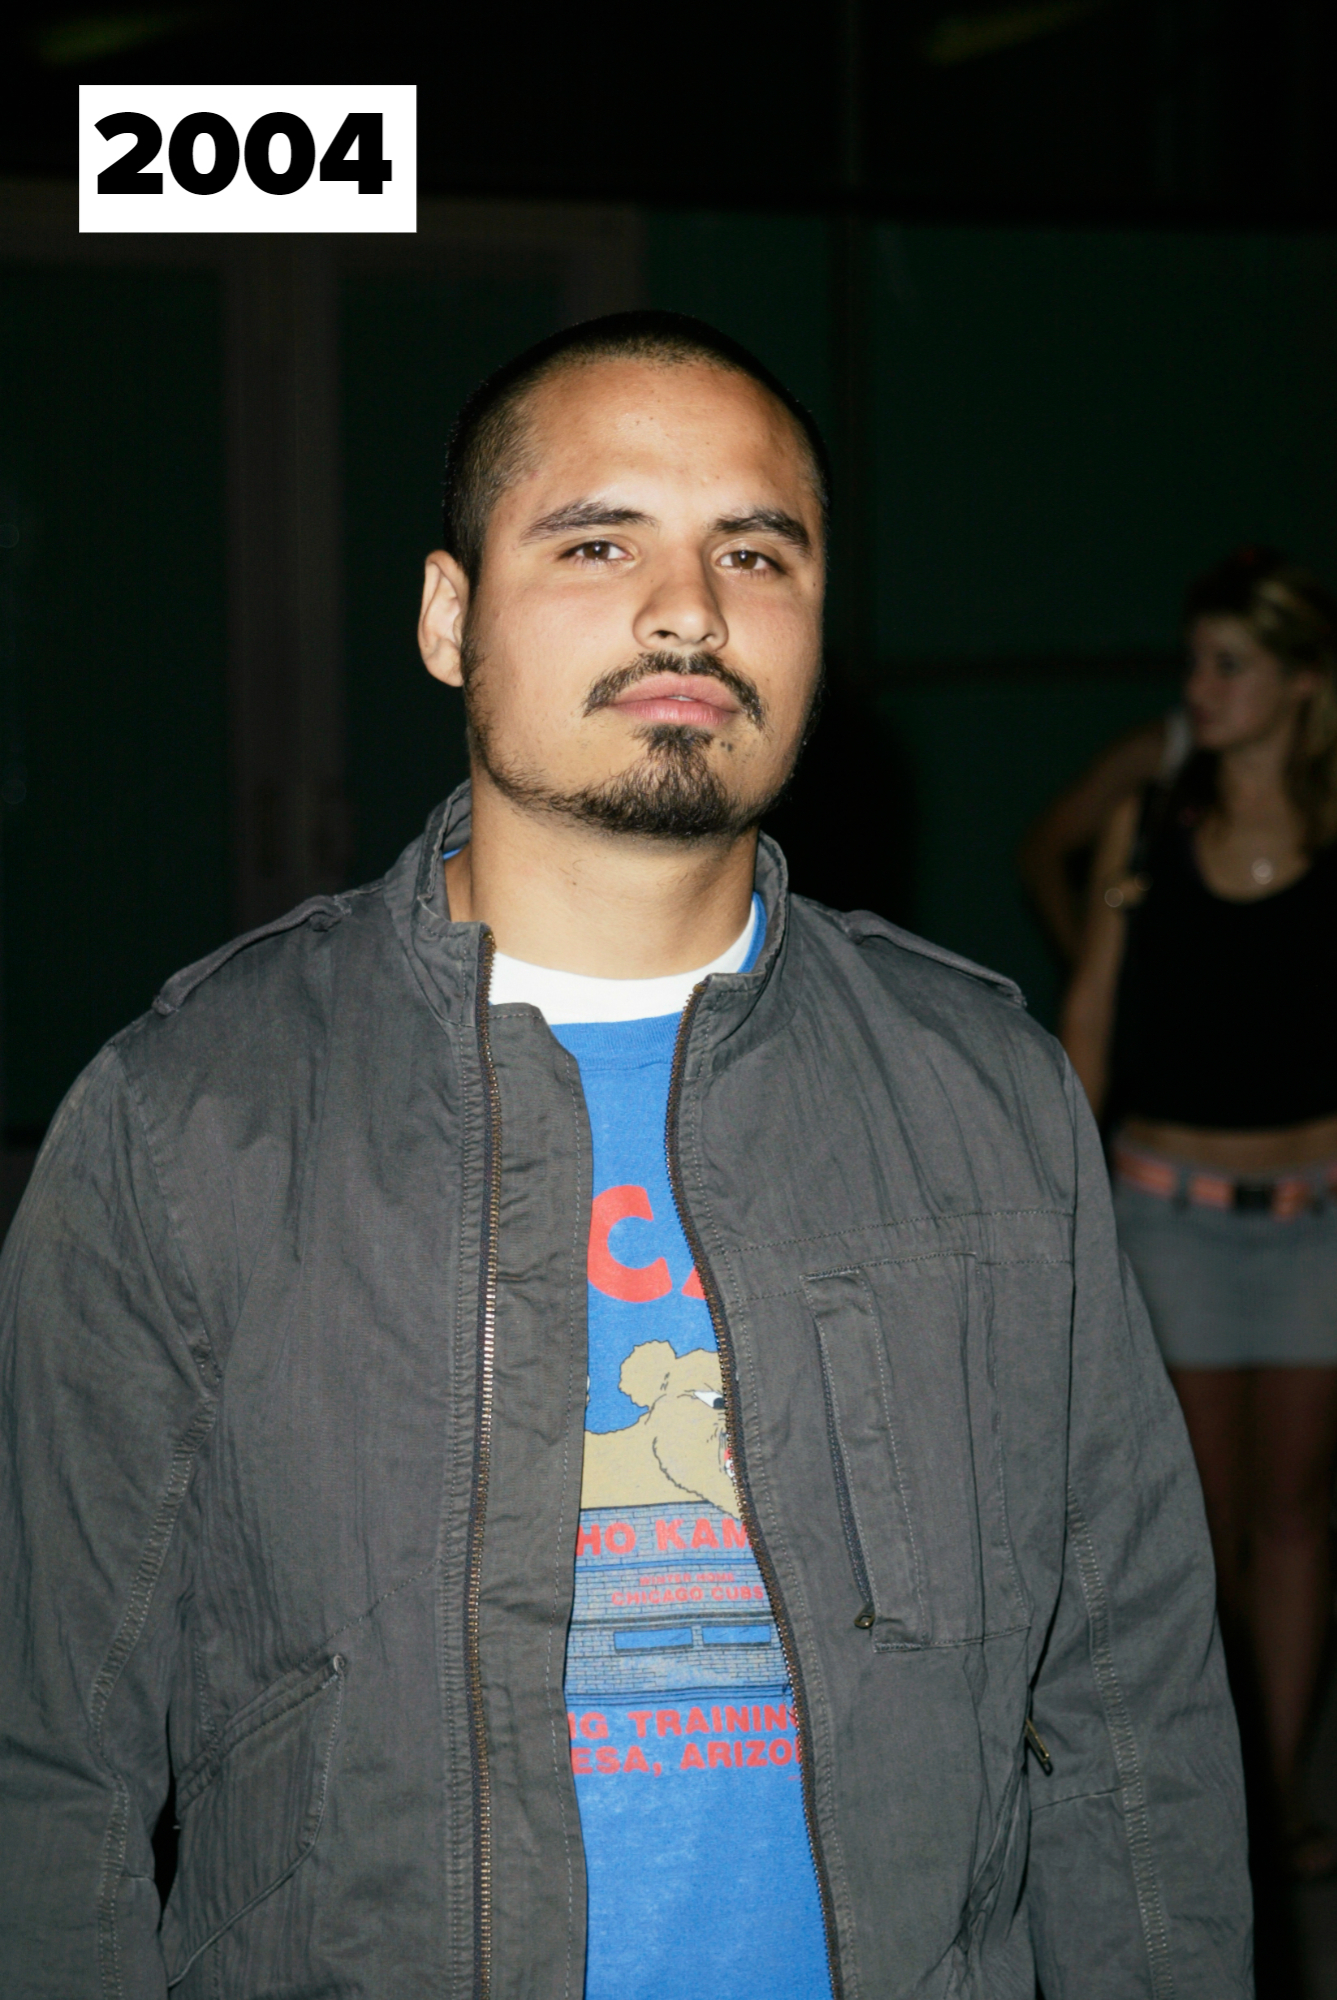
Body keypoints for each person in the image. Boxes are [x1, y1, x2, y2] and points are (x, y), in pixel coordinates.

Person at [0, 312, 1249, 1997]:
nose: (689, 607)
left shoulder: (983, 1099)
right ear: (450, 617)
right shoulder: (190, 1118)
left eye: (755, 550)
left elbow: (1131, 1712)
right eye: (600, 542)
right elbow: (49, 1768)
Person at [1061, 546, 1337, 1879]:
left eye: (1231, 665)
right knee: (1201, 1525)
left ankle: (1275, 1804)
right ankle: (1205, 1808)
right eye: (1197, 662)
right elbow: (1092, 1021)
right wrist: (1056, 1197)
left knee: (1294, 1519)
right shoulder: (1151, 828)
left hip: (1313, 1224)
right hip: (1163, 1215)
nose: (1201, 689)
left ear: (1299, 684)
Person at [1019, 704, 1192, 963]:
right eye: (1192, 665)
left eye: (1227, 665)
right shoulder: (1167, 748)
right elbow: (1042, 850)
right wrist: (1089, 969)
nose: (1198, 687)